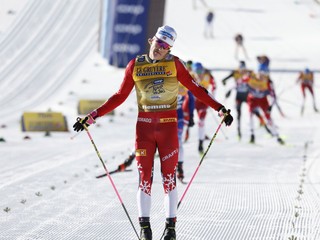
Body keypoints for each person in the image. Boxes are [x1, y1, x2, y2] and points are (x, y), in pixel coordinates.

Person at [73, 25, 233, 240]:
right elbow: (119, 96)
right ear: (152, 41)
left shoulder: (175, 64)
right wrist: (91, 117)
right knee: (144, 180)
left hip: (168, 128)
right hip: (144, 129)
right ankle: (145, 229)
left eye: (166, 46)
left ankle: (170, 229)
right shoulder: (135, 65)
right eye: (159, 43)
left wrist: (219, 108)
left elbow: (196, 90)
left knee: (169, 179)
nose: (160, 49)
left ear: (169, 49)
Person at [222, 61, 269, 139]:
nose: (242, 70)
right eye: (241, 68)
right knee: (238, 113)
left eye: (244, 68)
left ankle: (266, 128)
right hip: (239, 96)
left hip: (247, 95)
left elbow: (257, 78)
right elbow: (225, 79)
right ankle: (239, 132)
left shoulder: (249, 73)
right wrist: (228, 88)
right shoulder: (235, 72)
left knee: (255, 112)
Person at [245, 71, 284, 145]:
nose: (260, 77)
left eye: (263, 75)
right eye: (259, 75)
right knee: (250, 116)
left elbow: (273, 96)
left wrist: (270, 107)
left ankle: (277, 136)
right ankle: (252, 134)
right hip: (252, 99)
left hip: (263, 100)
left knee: (268, 118)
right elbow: (240, 81)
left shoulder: (267, 82)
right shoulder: (251, 78)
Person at [190, 62, 217, 154]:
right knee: (185, 121)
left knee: (201, 121)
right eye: (197, 72)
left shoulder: (207, 76)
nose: (199, 74)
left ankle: (200, 144)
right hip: (192, 101)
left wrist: (212, 99)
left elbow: (214, 86)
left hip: (203, 102)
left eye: (200, 71)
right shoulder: (190, 76)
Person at [177, 82, 195, 182]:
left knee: (178, 141)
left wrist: (191, 115)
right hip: (166, 117)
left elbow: (191, 98)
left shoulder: (182, 83)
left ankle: (179, 167)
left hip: (177, 117)